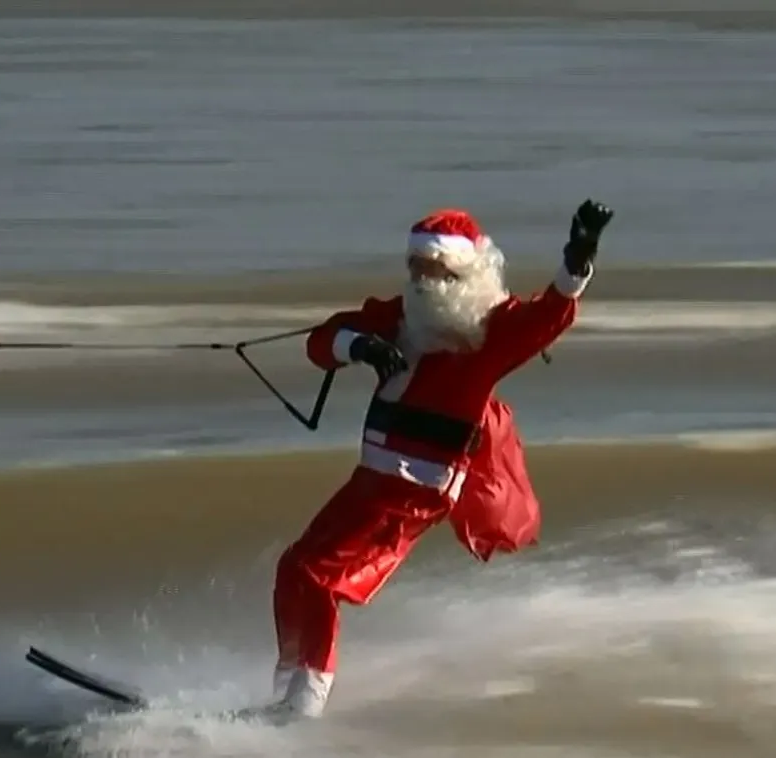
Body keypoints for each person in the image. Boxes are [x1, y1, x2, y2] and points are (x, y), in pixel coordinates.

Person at [263, 199, 615, 720]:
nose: (422, 280)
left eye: (433, 269)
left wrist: (578, 259)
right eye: (415, 268)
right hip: (372, 478)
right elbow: (321, 342)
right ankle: (284, 689)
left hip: (417, 487)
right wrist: (361, 347)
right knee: (293, 568)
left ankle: (306, 702)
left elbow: (549, 315)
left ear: (462, 270)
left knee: (318, 576)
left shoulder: (491, 332)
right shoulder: (400, 320)